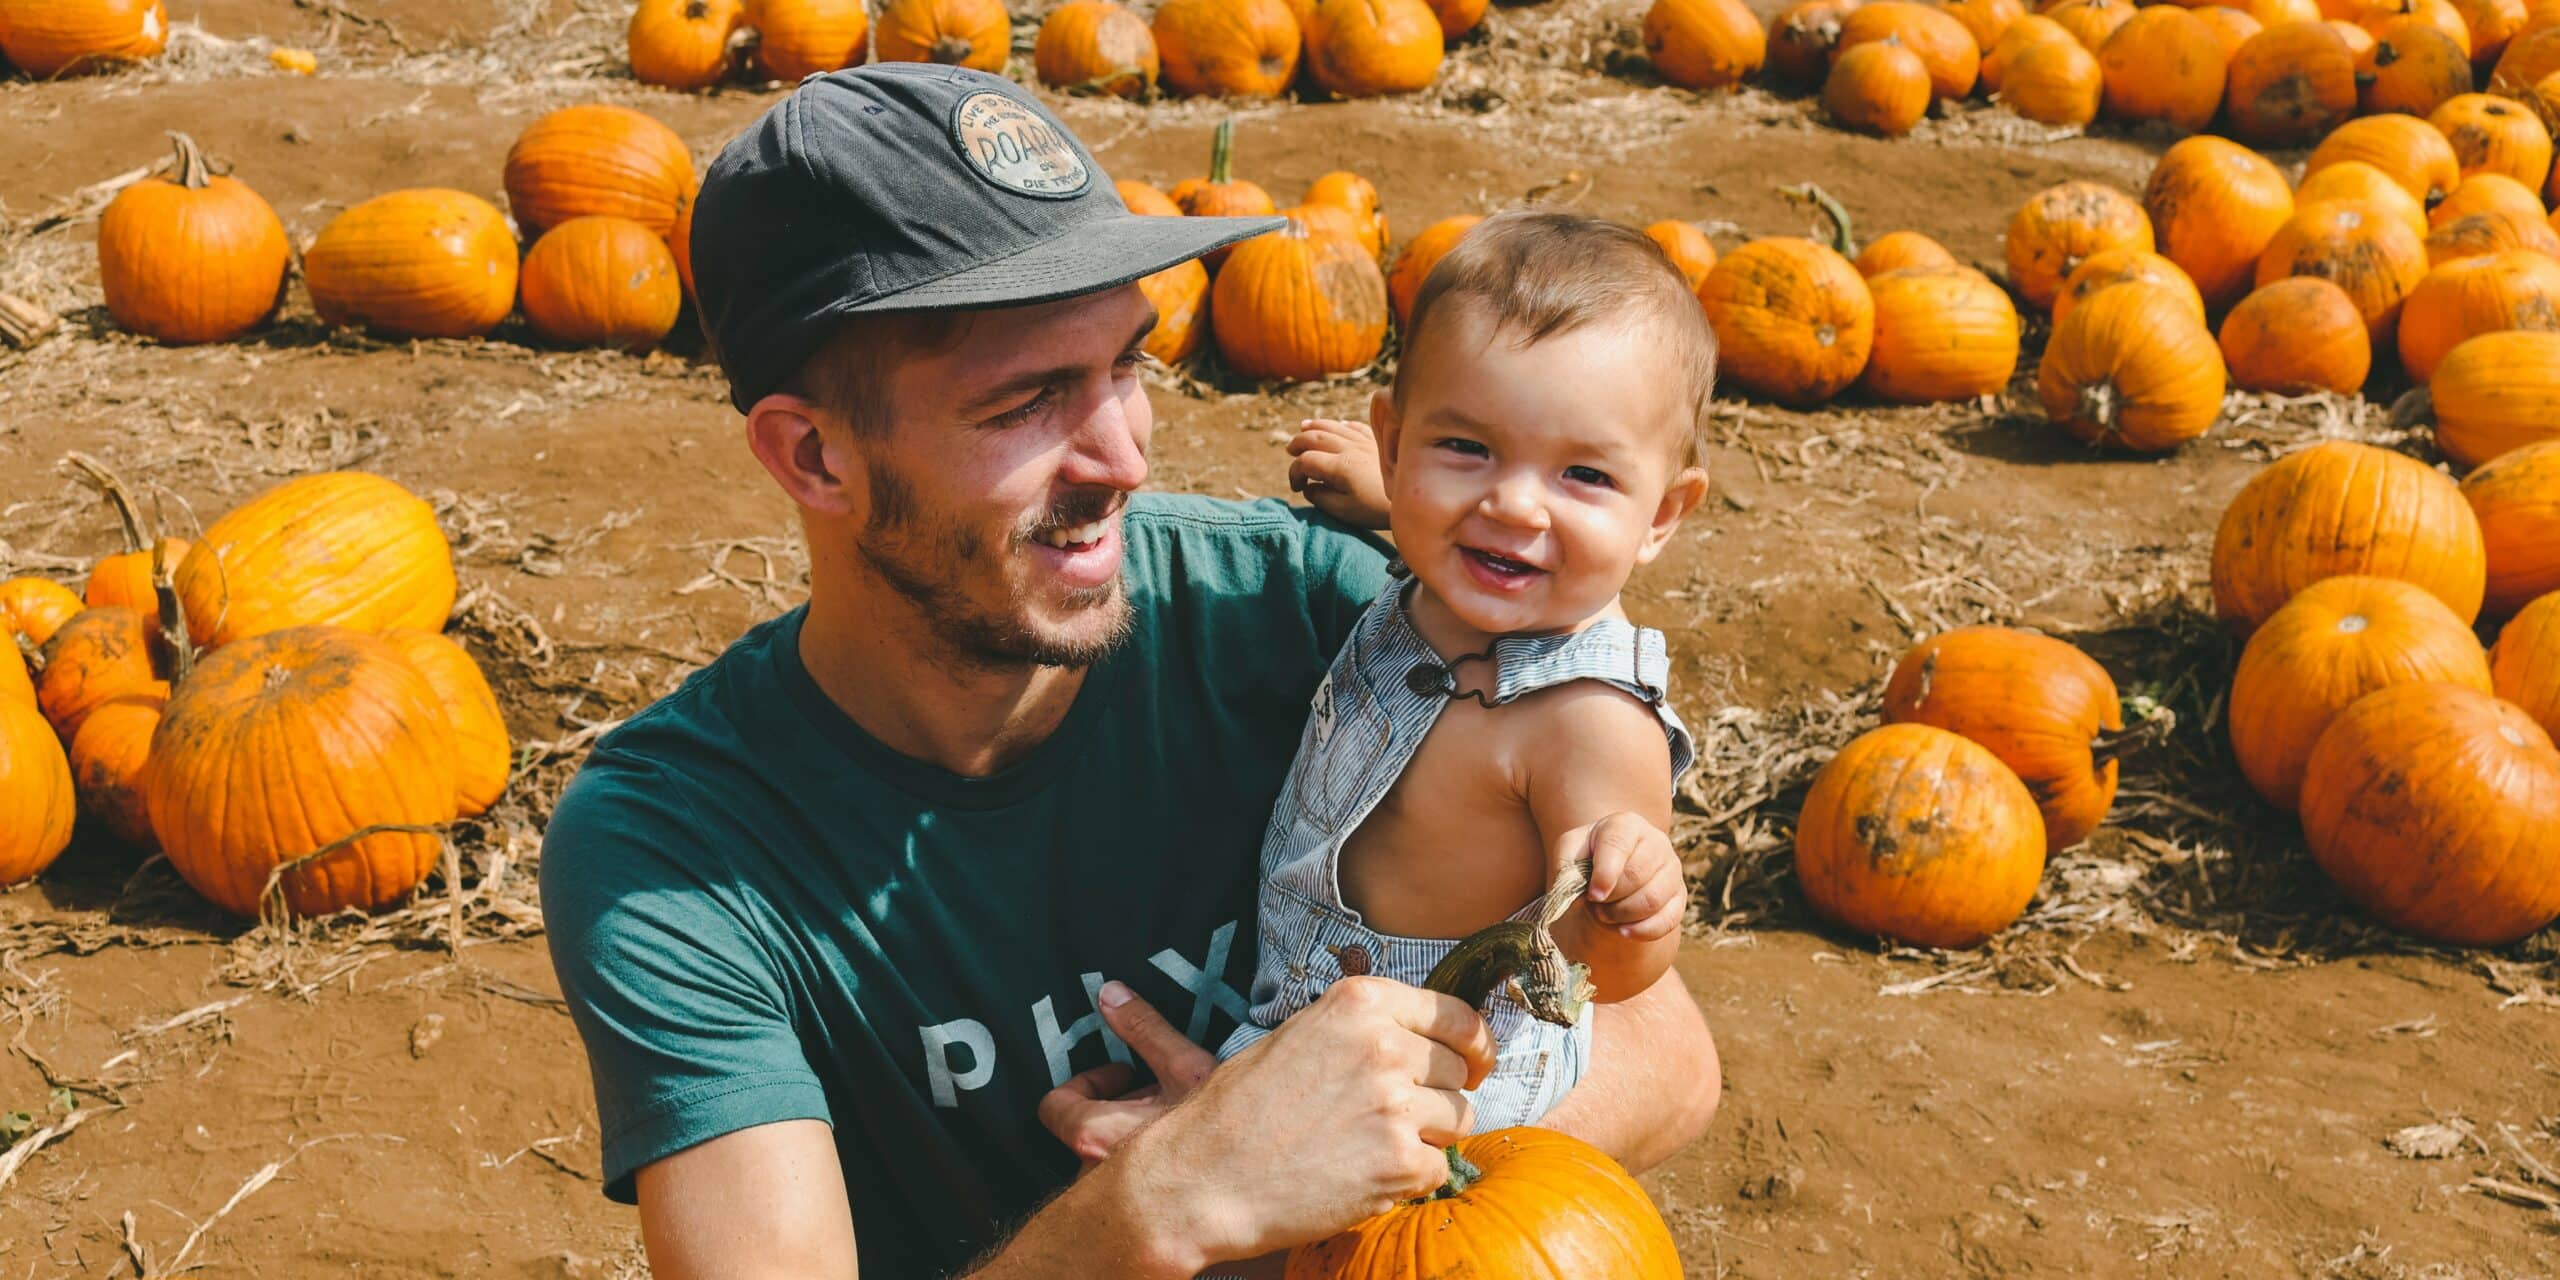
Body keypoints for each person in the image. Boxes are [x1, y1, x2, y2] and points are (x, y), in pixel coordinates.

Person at [538, 63, 1720, 1280]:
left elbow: (1663, 1052)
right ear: (813, 454)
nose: (1125, 451)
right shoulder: (675, 857)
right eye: (1029, 401)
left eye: (1123, 363)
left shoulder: (1300, 610)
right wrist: (1167, 1205)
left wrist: (1334, 1194)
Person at [1217, 210, 1715, 1135]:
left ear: (1662, 515)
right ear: (1398, 447)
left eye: (1586, 477)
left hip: (1448, 1075)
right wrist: (1397, 498)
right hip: (1318, 1008)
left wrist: (1636, 901)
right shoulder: (1475, 581)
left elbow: (1597, 971)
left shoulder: (1590, 720)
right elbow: (1461, 537)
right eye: (1466, 448)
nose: (1513, 504)